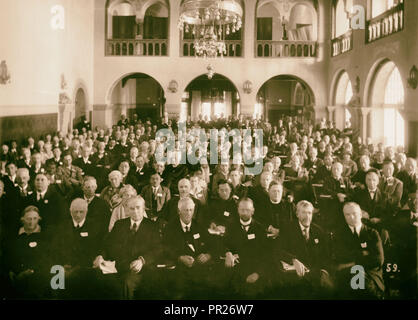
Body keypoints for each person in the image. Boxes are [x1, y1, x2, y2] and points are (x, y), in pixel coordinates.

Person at [93, 196, 161, 299]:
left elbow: (158, 249)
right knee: (98, 279)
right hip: (118, 267)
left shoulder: (152, 226)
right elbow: (107, 244)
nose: (135, 211)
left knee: (126, 284)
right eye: (132, 208)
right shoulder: (119, 224)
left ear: (143, 209)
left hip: (140, 270)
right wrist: (101, 256)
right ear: (127, 210)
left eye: (138, 207)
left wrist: (142, 260)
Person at [276, 200, 332, 299]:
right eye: (304, 212)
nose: (307, 216)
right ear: (297, 214)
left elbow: (325, 255)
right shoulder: (287, 228)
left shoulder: (318, 231)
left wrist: (323, 271)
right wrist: (293, 260)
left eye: (309, 213)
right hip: (295, 275)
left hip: (315, 274)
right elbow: (278, 250)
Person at [162, 197, 215, 299]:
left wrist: (208, 255)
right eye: (186, 210)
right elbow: (165, 248)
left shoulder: (199, 225)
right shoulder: (170, 228)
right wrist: (179, 257)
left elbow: (213, 244)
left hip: (200, 268)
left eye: (191, 210)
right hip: (180, 270)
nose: (189, 213)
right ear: (179, 211)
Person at [53, 198, 106, 299]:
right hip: (65, 265)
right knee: (55, 282)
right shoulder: (62, 226)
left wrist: (100, 257)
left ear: (86, 211)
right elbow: (56, 249)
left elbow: (101, 247)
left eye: (81, 212)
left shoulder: (95, 226)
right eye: (75, 212)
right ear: (70, 211)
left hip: (87, 267)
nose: (78, 215)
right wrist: (61, 265)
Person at [333, 202, 385, 299]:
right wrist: (363, 254)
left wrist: (353, 262)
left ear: (360, 214)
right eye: (347, 215)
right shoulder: (339, 235)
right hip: (347, 274)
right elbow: (340, 256)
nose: (351, 217)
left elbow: (378, 260)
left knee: (362, 283)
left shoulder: (372, 233)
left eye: (354, 213)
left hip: (371, 275)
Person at [223, 197, 271, 298]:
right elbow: (224, 244)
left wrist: (258, 274)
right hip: (236, 271)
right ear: (238, 210)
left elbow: (266, 255)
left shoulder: (260, 229)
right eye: (242, 210)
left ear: (253, 211)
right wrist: (228, 253)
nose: (244, 213)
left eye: (247, 210)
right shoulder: (231, 226)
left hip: (254, 271)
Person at [5, 206, 52, 299]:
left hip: (39, 280)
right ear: (22, 220)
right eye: (28, 219)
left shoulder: (45, 237)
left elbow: (47, 259)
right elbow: (9, 258)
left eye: (35, 219)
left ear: (39, 219)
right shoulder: (15, 237)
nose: (31, 222)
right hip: (18, 279)